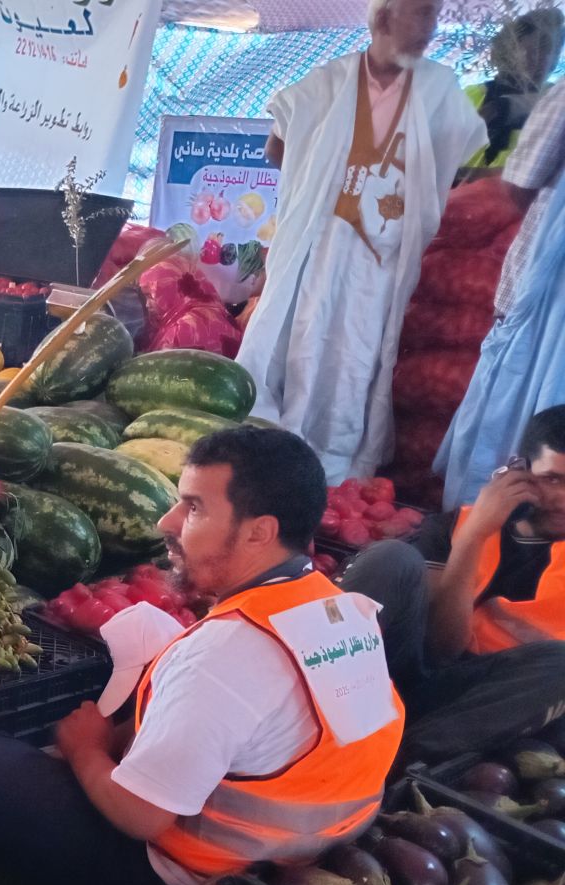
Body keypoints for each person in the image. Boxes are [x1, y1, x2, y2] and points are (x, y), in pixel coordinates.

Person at [0, 428, 405, 885]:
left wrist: (86, 750)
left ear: (259, 531)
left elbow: (143, 817)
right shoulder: (337, 608)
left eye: (194, 508)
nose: (165, 521)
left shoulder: (223, 654)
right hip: (323, 847)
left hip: (207, 881)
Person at [235, 0, 485, 484]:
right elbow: (276, 144)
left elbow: (462, 165)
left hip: (380, 258)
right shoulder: (328, 83)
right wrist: (318, 188)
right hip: (317, 247)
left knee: (355, 354)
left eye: (435, 14)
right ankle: (275, 451)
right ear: (384, 19)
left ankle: (335, 468)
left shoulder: (439, 90)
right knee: (298, 339)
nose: (431, 26)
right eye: (421, 13)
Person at [344, 408, 565, 761]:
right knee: (390, 557)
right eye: (553, 479)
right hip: (405, 673)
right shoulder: (457, 526)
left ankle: (397, 762)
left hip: (493, 709)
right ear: (519, 471)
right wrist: (473, 537)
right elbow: (441, 648)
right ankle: (318, 704)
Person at [436, 79, 565, 508]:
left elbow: (520, 182)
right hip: (545, 289)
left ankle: (486, 522)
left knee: (513, 411)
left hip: (546, 288)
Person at [462, 10, 563, 174]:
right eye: (540, 47)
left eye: (549, 49)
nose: (536, 58)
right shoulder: (469, 97)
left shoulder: (555, 105)